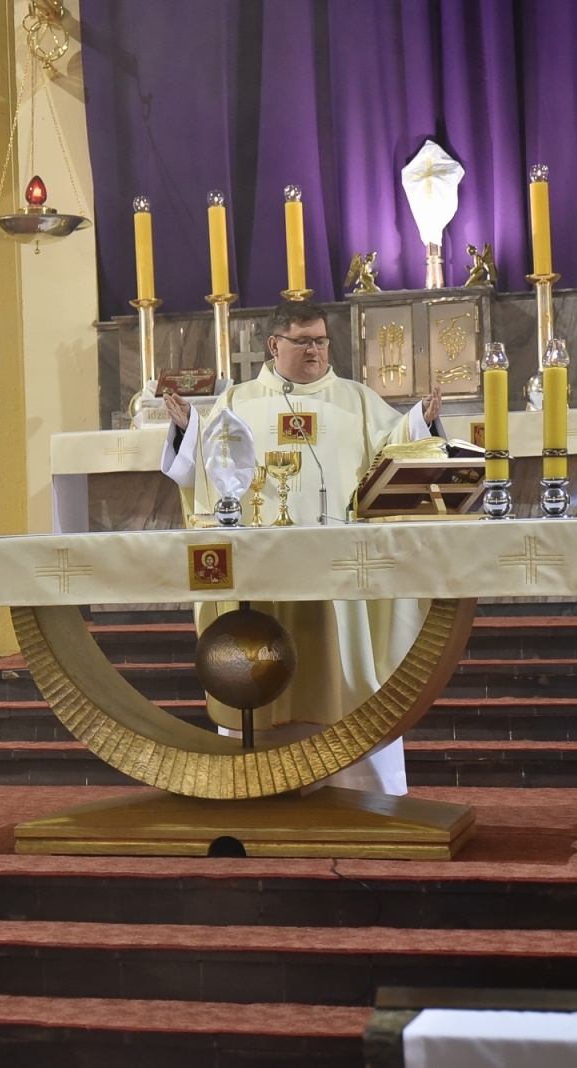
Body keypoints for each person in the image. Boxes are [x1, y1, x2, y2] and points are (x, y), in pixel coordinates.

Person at [160, 299, 443, 795]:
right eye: (303, 341)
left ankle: (361, 787)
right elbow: (207, 465)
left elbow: (396, 450)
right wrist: (188, 431)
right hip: (261, 571)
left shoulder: (356, 399)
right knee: (260, 654)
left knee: (344, 667)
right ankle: (259, 782)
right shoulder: (240, 401)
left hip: (340, 574)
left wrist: (419, 420)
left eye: (321, 341)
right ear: (275, 345)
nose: (315, 351)